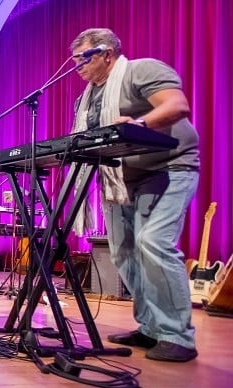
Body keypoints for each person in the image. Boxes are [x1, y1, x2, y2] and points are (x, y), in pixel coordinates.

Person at [70, 28, 199, 362]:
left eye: (84, 57)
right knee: (124, 253)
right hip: (120, 180)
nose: (77, 66)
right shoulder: (84, 99)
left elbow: (177, 105)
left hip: (169, 168)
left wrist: (139, 125)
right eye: (74, 59)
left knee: (153, 242)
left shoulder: (141, 70)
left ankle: (177, 335)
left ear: (107, 53)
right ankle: (150, 328)